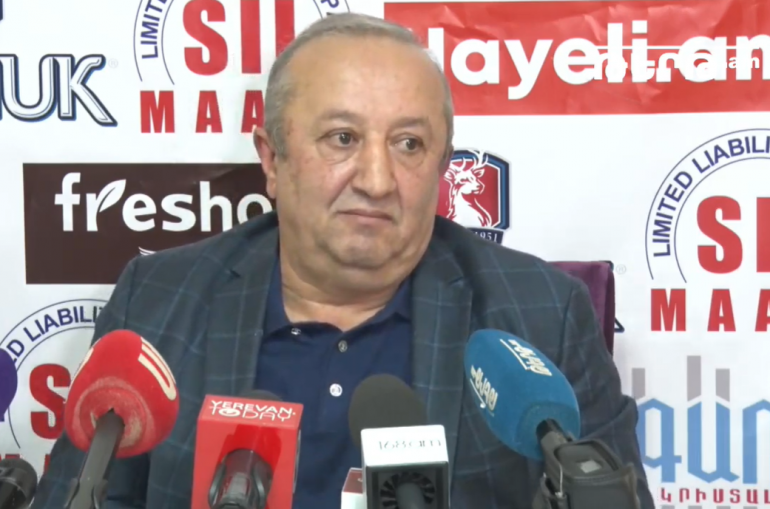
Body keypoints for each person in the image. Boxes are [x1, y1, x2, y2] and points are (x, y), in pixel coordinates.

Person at [32, 12, 654, 509]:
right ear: (272, 160)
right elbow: (82, 496)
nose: (377, 180)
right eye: (343, 138)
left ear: (442, 168)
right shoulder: (158, 300)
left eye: (409, 144)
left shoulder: (542, 317)